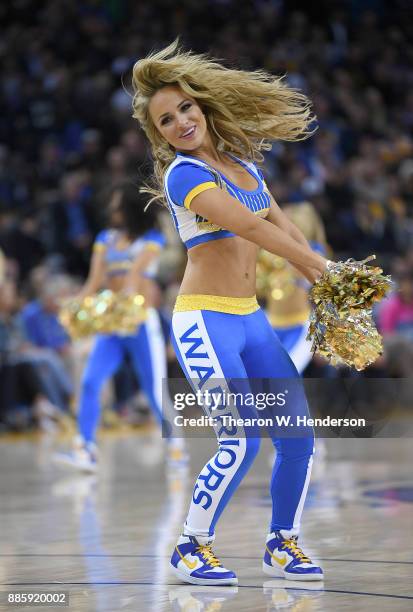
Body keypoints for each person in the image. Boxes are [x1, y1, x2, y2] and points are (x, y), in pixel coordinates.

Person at [131, 42, 329, 586]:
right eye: (165, 121)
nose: (179, 123)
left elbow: (283, 225)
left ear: (202, 106)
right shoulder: (183, 175)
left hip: (251, 320)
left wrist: (327, 273)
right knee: (238, 439)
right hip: (205, 320)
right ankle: (191, 546)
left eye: (184, 110)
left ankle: (282, 543)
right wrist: (313, 265)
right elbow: (250, 226)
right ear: (160, 134)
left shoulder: (241, 165)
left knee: (297, 435)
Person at [55, 181, 185, 472]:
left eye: (117, 204)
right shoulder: (105, 238)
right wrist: (72, 307)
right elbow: (94, 281)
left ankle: (175, 445)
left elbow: (137, 274)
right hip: (111, 324)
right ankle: (85, 448)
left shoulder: (152, 239)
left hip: (139, 321)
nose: (112, 209)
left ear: (129, 208)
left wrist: (127, 293)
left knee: (153, 388)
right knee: (90, 382)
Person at [258, 201, 328, 374]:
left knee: (288, 374)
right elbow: (259, 286)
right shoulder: (270, 253)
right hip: (271, 323)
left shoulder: (314, 252)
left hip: (300, 326)